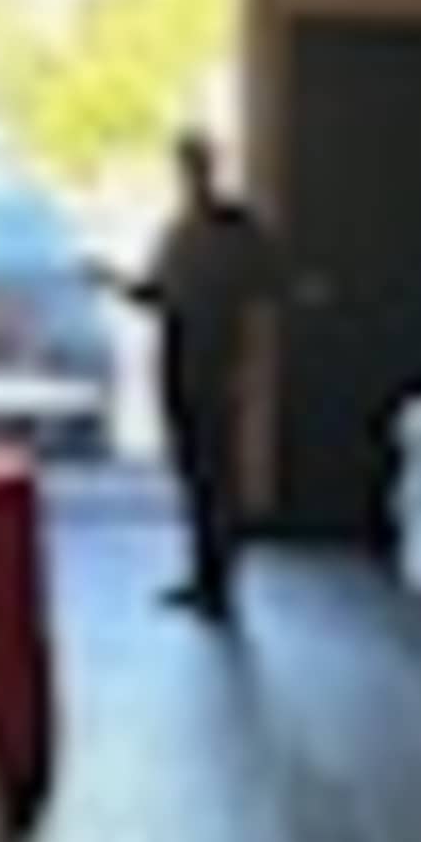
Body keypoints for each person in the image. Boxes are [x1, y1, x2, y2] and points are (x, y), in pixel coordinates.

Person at [129, 126, 288, 618]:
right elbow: (159, 296)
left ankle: (220, 580)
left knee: (217, 476)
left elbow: (267, 291)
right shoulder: (182, 228)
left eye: (193, 163)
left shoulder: (233, 228)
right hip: (180, 356)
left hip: (216, 360)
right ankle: (204, 575)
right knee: (194, 472)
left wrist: (251, 364)